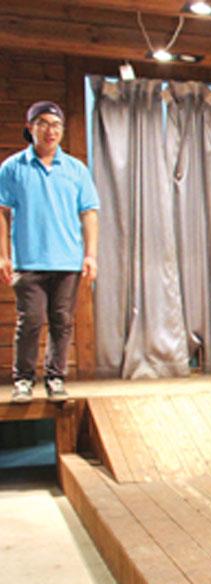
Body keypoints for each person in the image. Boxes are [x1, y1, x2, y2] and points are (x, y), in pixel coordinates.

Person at [0, 100, 100, 402]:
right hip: (29, 260)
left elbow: (89, 213)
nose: (50, 130)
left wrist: (90, 254)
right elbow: (2, 212)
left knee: (62, 320)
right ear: (30, 128)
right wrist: (3, 255)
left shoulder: (75, 169)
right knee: (30, 319)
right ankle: (24, 379)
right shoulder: (12, 168)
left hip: (67, 259)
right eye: (43, 123)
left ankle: (55, 378)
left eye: (56, 125)